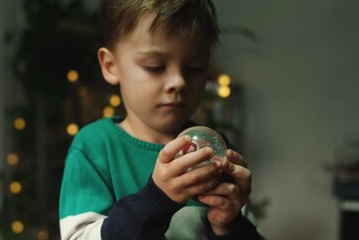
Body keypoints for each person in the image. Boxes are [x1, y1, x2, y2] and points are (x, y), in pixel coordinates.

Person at [59, 0, 263, 239]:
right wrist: (157, 200)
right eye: (155, 66)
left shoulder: (214, 151)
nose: (179, 81)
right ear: (111, 66)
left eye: (195, 67)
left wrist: (229, 225)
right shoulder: (94, 147)